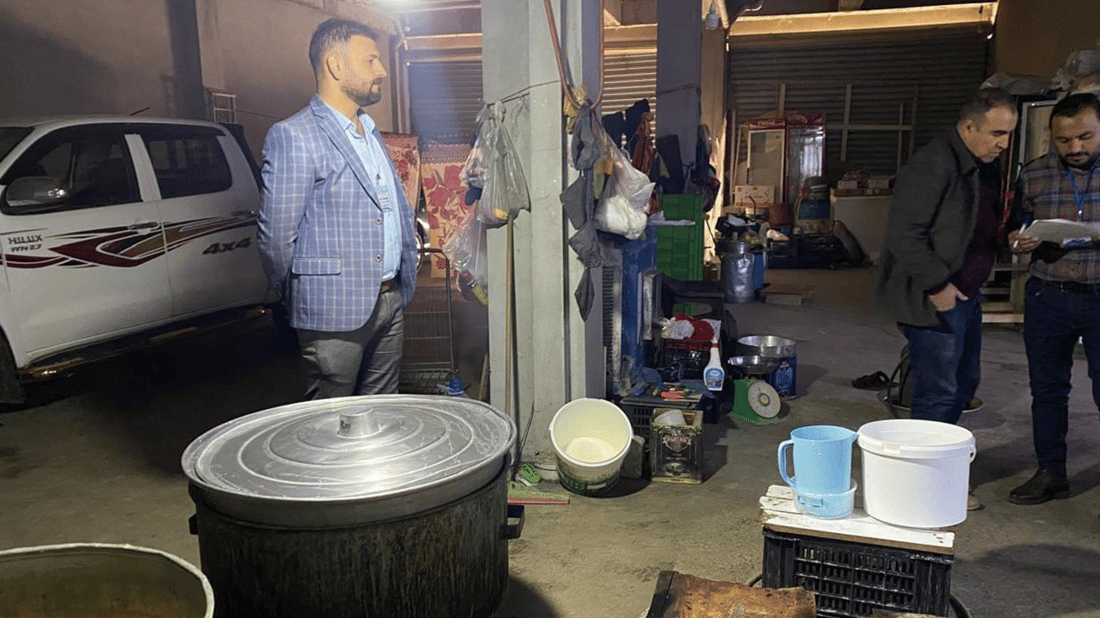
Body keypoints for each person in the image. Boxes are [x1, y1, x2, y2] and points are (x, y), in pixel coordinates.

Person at [258, 18, 417, 399]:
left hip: (390, 299)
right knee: (332, 420)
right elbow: (276, 239)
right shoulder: (294, 136)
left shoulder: (370, 131)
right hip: (331, 310)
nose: (381, 70)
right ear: (335, 65)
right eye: (370, 60)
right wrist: (304, 293)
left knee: (382, 413)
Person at [877, 88, 1017, 510]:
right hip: (936, 295)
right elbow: (904, 235)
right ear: (968, 126)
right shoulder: (934, 164)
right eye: (996, 133)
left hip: (965, 292)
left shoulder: (981, 163)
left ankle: (943, 470)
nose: (1003, 143)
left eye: (1008, 134)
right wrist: (938, 285)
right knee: (938, 392)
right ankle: (926, 486)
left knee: (963, 385)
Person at [1006, 92, 1100, 507]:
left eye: (1085, 137)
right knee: (1047, 389)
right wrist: (1018, 239)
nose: (1074, 147)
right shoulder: (1034, 174)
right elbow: (1014, 226)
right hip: (1049, 295)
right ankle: (1051, 473)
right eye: (1064, 140)